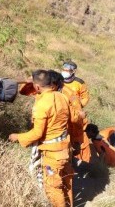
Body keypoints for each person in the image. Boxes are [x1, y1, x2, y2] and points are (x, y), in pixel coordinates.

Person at [9, 70, 73, 207]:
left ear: (37, 87)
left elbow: (37, 133)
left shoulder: (42, 105)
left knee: (53, 187)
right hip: (64, 148)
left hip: (52, 154)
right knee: (65, 181)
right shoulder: (62, 97)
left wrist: (18, 137)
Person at [61, 61, 90, 164]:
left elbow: (85, 97)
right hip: (63, 113)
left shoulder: (79, 83)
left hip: (76, 113)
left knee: (79, 139)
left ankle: (83, 163)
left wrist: (78, 106)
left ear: (73, 71)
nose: (64, 72)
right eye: (63, 69)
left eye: (67, 70)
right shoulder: (58, 81)